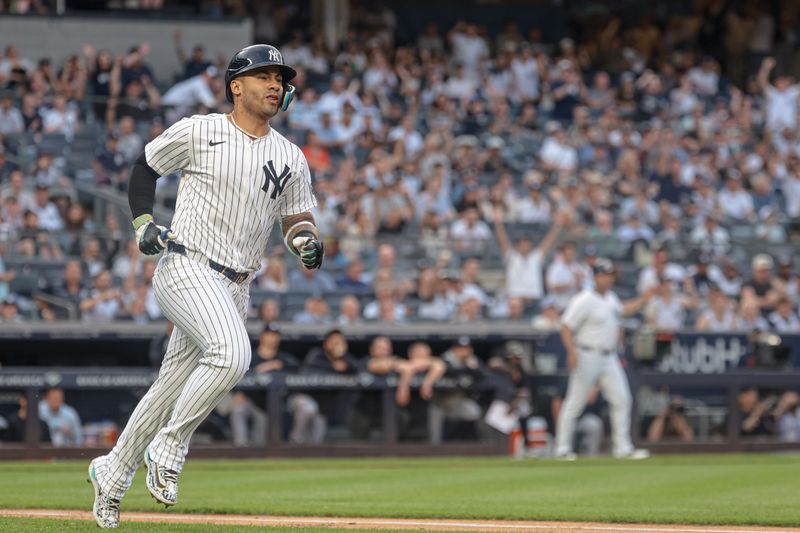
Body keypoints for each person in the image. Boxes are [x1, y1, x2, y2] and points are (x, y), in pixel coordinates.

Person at [88, 44, 325, 529]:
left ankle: (111, 475)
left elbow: (297, 219)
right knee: (233, 356)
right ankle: (170, 447)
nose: (275, 83)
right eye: (263, 75)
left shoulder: (291, 156)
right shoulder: (201, 129)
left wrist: (306, 242)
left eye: (280, 77)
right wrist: (142, 223)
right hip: (186, 264)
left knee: (169, 386)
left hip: (237, 285)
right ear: (236, 85)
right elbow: (143, 167)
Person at [554, 258, 654, 460]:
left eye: (609, 275)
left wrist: (645, 299)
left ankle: (622, 447)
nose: (607, 279)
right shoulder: (584, 299)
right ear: (595, 276)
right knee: (575, 402)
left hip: (609, 357)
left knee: (622, 399)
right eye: (603, 275)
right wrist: (572, 352)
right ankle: (562, 448)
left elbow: (623, 310)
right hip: (587, 353)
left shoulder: (610, 298)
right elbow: (566, 326)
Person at [229, 323, 299, 447]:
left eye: (275, 336)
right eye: (269, 335)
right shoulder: (249, 357)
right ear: (262, 337)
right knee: (238, 409)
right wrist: (239, 392)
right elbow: (236, 374)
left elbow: (297, 369)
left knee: (260, 443)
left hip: (271, 407)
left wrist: (278, 365)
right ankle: (240, 448)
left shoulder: (284, 359)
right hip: (251, 401)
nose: (272, 338)